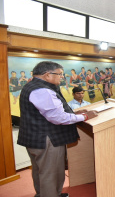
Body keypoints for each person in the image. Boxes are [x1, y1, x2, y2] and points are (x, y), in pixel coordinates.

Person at [17, 61, 98, 197]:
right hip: (47, 140)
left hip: (34, 138)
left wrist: (73, 114)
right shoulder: (43, 90)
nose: (62, 77)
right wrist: (84, 116)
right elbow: (58, 117)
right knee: (51, 173)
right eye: (60, 74)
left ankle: (44, 194)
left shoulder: (32, 85)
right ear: (47, 75)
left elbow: (47, 112)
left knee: (40, 171)